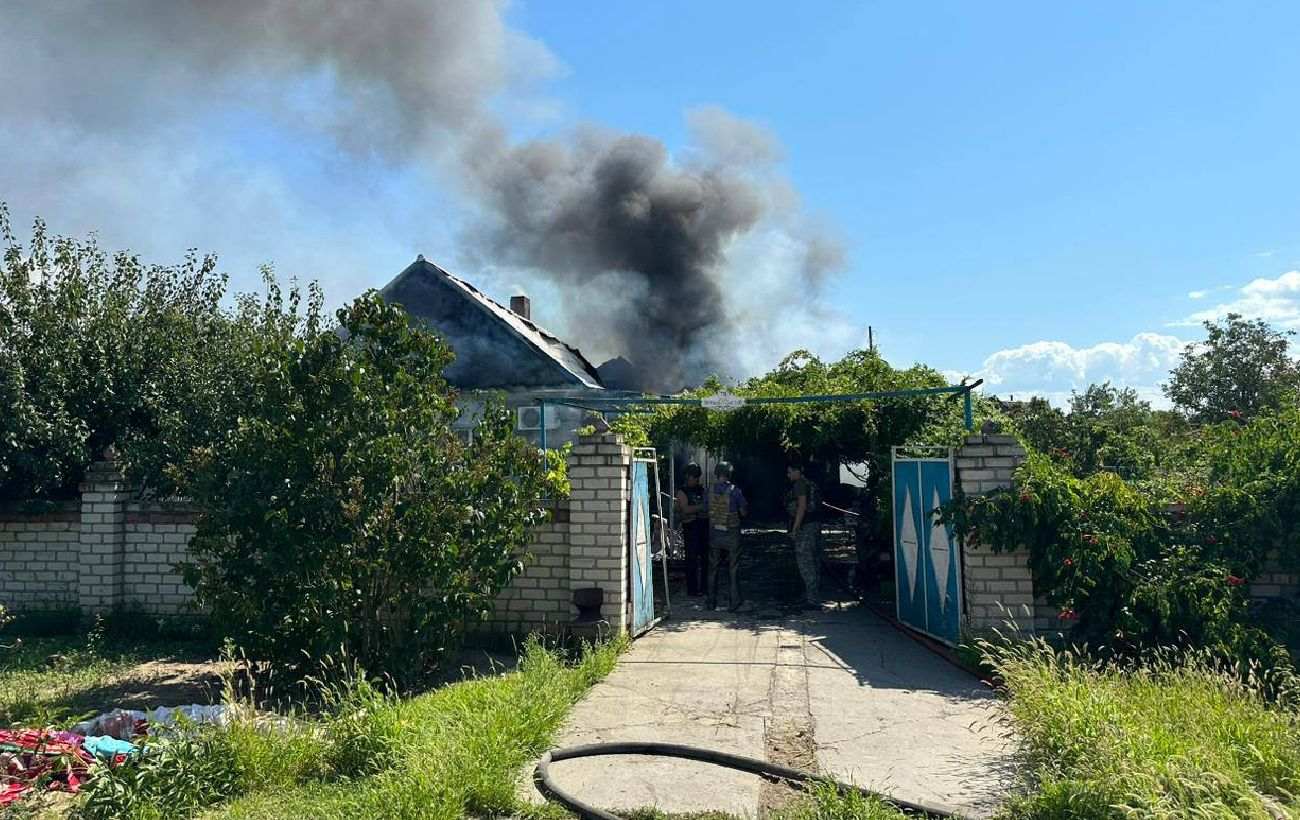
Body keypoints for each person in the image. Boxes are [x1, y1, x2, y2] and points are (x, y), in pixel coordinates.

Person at [706, 461, 748, 612]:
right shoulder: (735, 491)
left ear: (717, 473)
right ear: (730, 474)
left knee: (713, 568)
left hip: (715, 533)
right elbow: (743, 512)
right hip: (732, 534)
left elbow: (705, 508)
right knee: (733, 567)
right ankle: (734, 603)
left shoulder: (709, 490)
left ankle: (711, 603)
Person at [786, 458, 822, 609]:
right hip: (814, 526)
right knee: (814, 561)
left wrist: (795, 529)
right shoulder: (810, 484)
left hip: (805, 527)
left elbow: (801, 507)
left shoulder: (800, 484)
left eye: (790, 472)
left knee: (806, 563)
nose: (788, 475)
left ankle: (812, 600)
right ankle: (810, 596)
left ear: (797, 472)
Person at [674, 462, 709, 597]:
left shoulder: (701, 490)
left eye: (697, 477)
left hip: (702, 525)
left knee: (705, 558)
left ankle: (704, 588)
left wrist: (697, 510)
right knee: (691, 559)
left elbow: (707, 506)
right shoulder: (682, 491)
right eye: (694, 477)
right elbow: (685, 509)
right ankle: (692, 589)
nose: (696, 480)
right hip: (690, 527)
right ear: (688, 476)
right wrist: (699, 508)